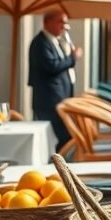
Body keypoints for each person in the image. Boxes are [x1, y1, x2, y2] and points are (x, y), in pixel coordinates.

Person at [28, 11, 80, 150]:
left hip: (59, 99)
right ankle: (58, 166)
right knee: (59, 137)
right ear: (47, 22)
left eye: (65, 22)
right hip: (49, 101)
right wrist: (72, 58)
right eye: (60, 22)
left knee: (64, 137)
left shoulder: (55, 42)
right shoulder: (40, 43)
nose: (64, 26)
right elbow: (52, 66)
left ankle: (61, 165)